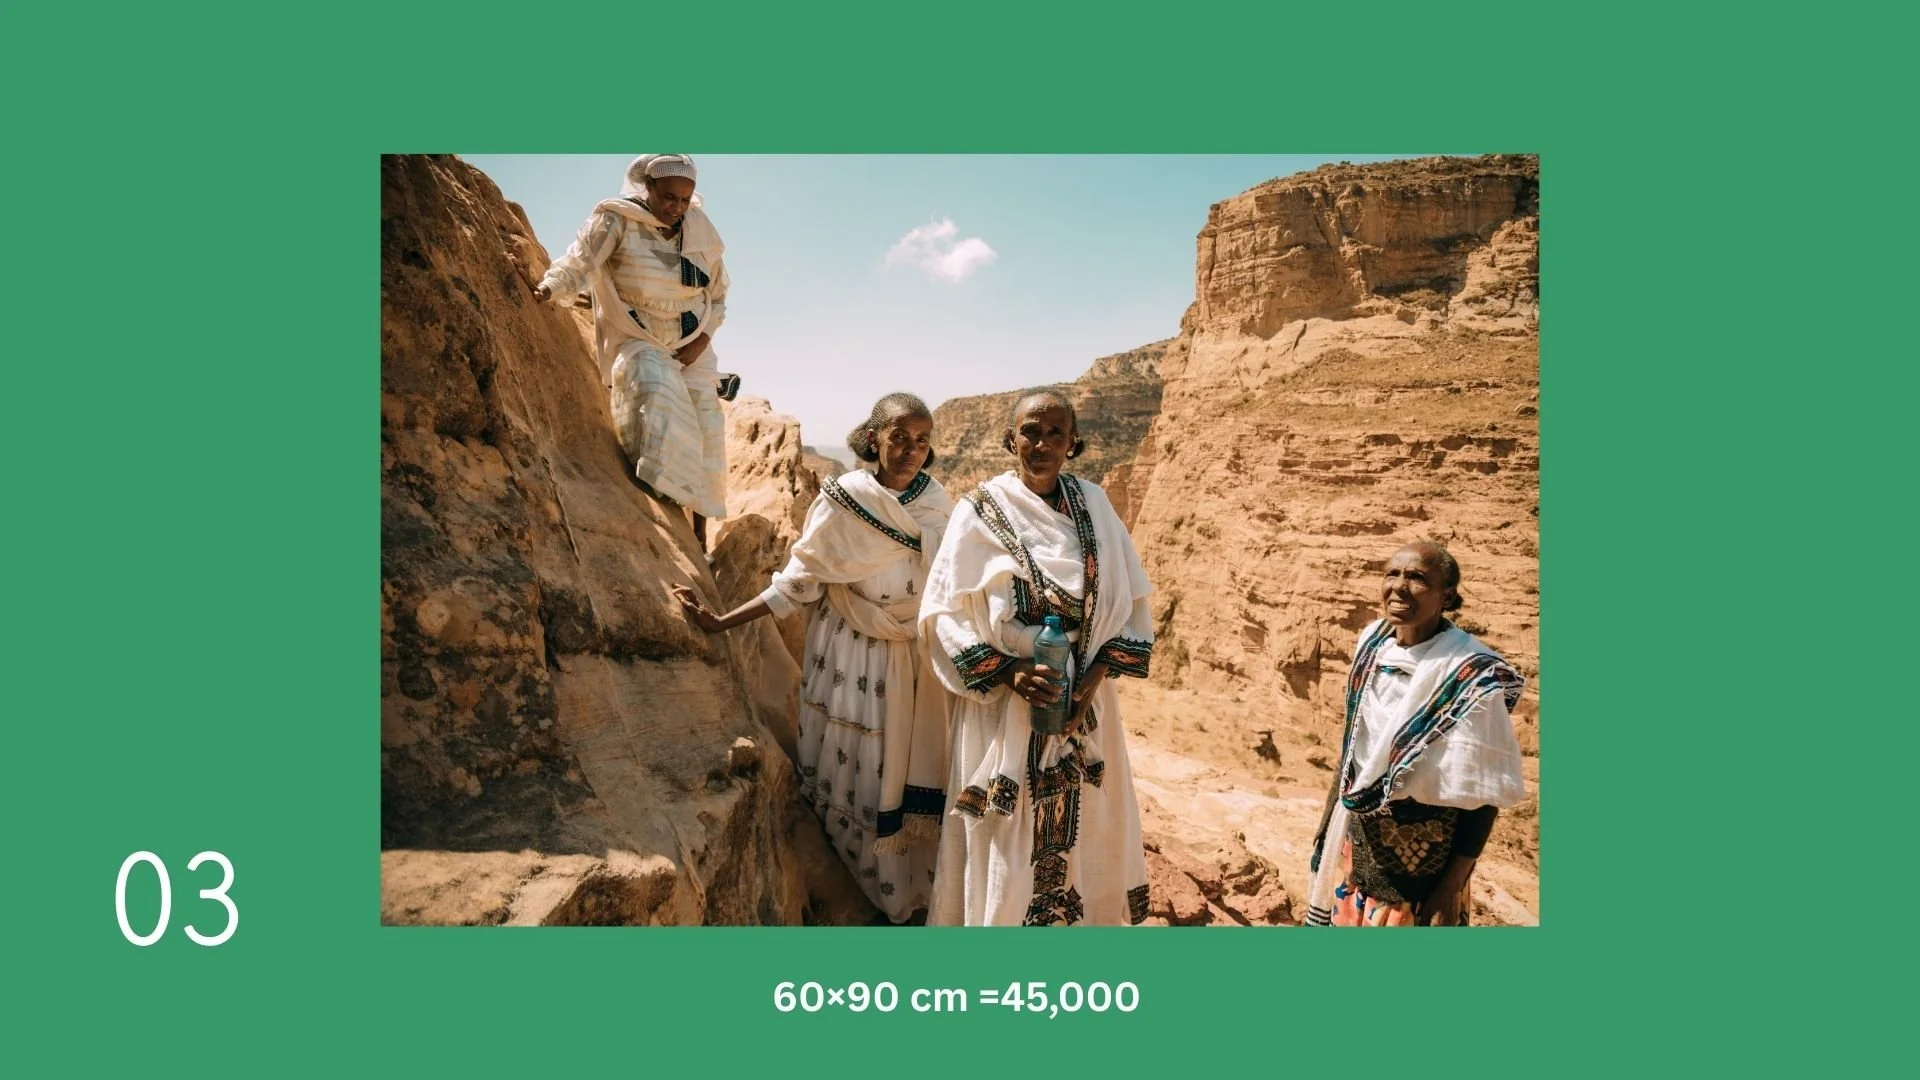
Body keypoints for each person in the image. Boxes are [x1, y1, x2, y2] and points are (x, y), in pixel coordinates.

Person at [672, 394, 952, 923]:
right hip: (853, 655)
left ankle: (914, 889)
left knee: (905, 764)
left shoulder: (939, 504)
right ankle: (867, 880)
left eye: (921, 441)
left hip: (911, 657)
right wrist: (719, 622)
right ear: (874, 439)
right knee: (862, 767)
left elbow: (956, 585)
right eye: (899, 438)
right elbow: (799, 581)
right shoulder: (845, 499)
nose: (911, 450)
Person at [918, 391, 1154, 926]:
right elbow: (943, 609)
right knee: (1004, 831)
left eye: (1055, 433)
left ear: (1074, 443)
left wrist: (1089, 683)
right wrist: (1008, 671)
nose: (1041, 443)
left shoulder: (1095, 505)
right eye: (1030, 431)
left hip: (1085, 698)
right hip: (1004, 698)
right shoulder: (978, 510)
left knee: (1087, 822)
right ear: (1010, 439)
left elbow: (1132, 600)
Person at [1304, 541, 1528, 927]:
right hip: (1357, 849)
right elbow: (1356, 751)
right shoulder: (1373, 643)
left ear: (1448, 596)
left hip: (1423, 879)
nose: (1400, 586)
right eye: (1392, 573)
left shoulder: (1470, 676)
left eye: (1417, 577)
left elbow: (1482, 795)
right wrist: (1328, 830)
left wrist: (1450, 889)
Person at [531, 154, 729, 548]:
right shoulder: (616, 219)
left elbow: (719, 297)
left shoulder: (700, 231)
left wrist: (702, 341)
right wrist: (548, 288)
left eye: (685, 199)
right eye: (669, 197)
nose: (676, 207)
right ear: (648, 188)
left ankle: (699, 534)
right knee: (657, 394)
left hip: (693, 343)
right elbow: (579, 261)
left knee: (708, 422)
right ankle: (659, 503)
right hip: (639, 335)